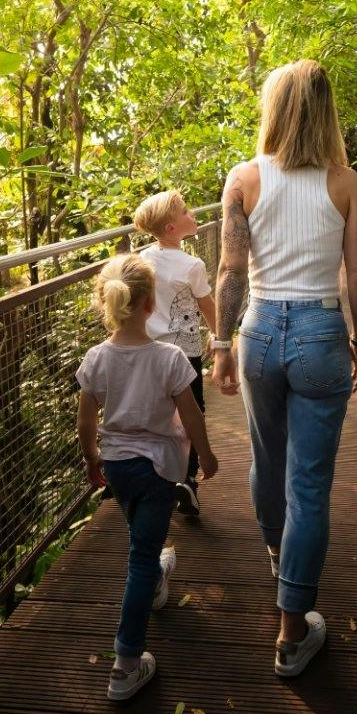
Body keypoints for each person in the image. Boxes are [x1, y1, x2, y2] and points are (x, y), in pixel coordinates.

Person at [211, 59, 357, 679]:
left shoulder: (244, 178)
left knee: (265, 461)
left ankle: (280, 558)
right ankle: (291, 629)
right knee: (308, 484)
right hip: (320, 333)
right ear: (327, 111)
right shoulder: (345, 182)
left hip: (256, 332)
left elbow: (229, 271)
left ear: (273, 109)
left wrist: (221, 343)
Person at [77, 254, 221, 701]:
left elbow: (85, 419)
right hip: (160, 468)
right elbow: (191, 415)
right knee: (140, 557)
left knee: (142, 536)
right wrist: (207, 454)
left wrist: (91, 458)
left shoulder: (97, 358)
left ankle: (157, 579)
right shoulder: (170, 358)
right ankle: (125, 663)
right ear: (150, 304)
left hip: (118, 467)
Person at [133, 189, 218, 518]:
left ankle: (154, 477)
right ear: (171, 227)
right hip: (184, 353)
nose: (192, 214)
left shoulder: (143, 259)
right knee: (191, 413)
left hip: (150, 351)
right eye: (185, 211)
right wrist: (220, 336)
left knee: (158, 415)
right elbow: (207, 306)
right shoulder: (192, 265)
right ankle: (187, 482)